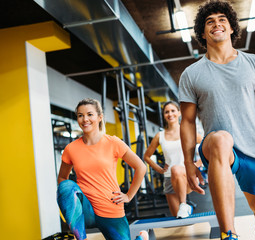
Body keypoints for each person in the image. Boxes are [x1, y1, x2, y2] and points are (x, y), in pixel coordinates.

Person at [178, 1, 255, 239]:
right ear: (202, 32)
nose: (216, 24)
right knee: (221, 140)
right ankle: (228, 234)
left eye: (222, 20)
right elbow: (187, 122)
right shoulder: (191, 74)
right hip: (216, 147)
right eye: (210, 22)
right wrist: (189, 162)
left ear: (232, 28)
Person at [57, 98, 148, 240]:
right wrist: (71, 207)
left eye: (89, 114)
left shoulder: (113, 142)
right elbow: (62, 178)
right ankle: (82, 238)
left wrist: (128, 196)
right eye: (80, 115)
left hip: (110, 207)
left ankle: (142, 238)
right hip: (86, 209)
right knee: (66, 186)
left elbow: (141, 167)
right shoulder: (71, 148)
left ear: (100, 117)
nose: (85, 119)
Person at [143, 101, 202, 218]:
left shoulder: (187, 130)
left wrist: (197, 165)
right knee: (178, 219)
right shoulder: (160, 136)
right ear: (164, 115)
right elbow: (146, 156)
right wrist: (159, 169)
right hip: (169, 179)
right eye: (167, 112)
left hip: (186, 176)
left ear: (179, 113)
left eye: (173, 111)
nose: (170, 114)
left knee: (176, 169)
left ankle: (184, 204)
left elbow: (206, 146)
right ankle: (184, 207)